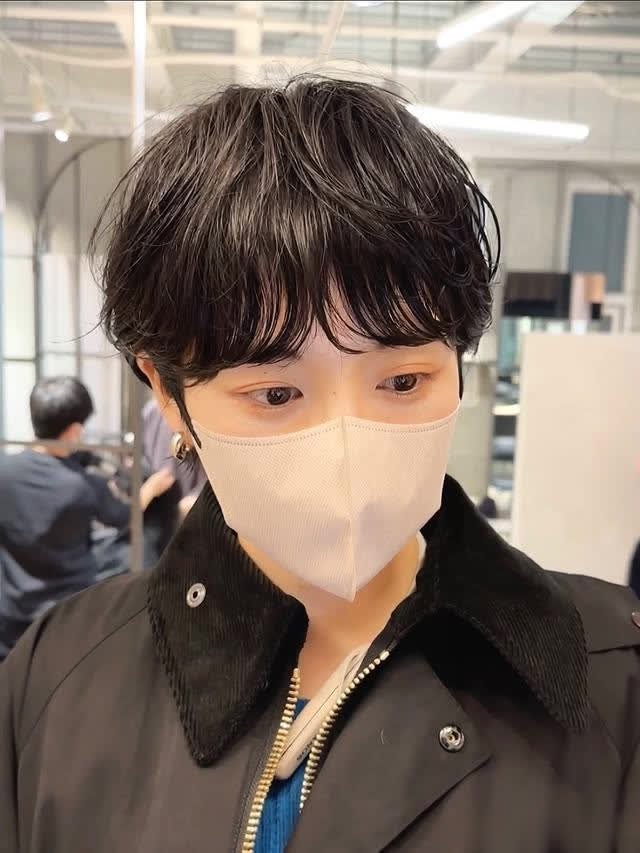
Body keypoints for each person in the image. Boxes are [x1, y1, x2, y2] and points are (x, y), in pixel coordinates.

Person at [1, 79, 639, 852]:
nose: (346, 443)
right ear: (169, 394)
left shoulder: (612, 682)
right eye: (276, 393)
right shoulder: (54, 683)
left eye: (403, 381)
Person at [0, 377, 174, 659]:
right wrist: (150, 489)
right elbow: (125, 517)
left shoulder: (4, 470)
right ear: (74, 430)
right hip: (65, 618)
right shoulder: (81, 486)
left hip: (11, 618)